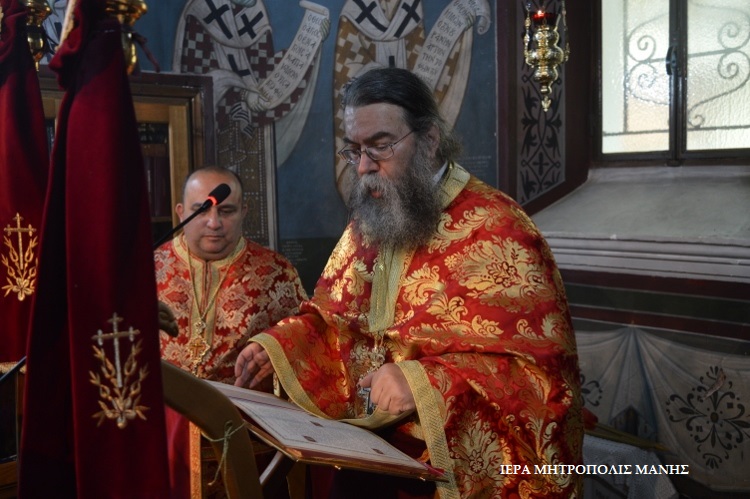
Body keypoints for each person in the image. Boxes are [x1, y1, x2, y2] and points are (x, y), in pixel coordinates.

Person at [235, 67, 583, 498]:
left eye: (380, 146)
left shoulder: (499, 230)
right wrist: (280, 344)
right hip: (364, 449)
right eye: (354, 150)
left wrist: (423, 383)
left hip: (444, 466)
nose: (364, 166)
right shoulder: (370, 222)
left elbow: (539, 379)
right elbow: (334, 319)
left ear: (429, 140)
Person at [155, 166, 307, 497]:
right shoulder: (148, 270)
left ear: (244, 211)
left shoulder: (277, 272)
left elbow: (307, 347)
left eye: (226, 211)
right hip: (163, 448)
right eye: (201, 210)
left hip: (246, 450)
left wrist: (278, 352)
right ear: (180, 212)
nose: (214, 223)